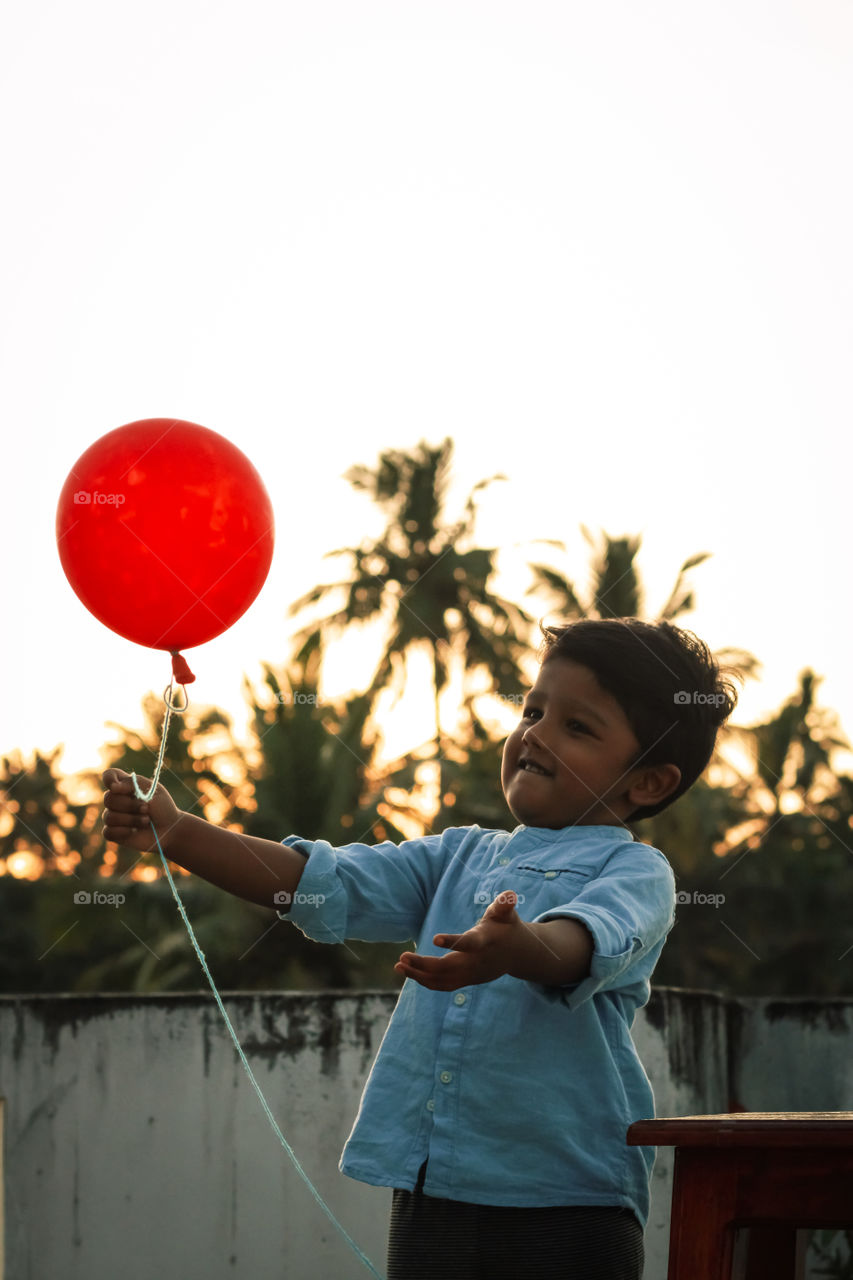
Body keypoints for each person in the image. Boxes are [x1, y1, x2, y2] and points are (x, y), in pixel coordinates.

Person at [103, 616, 737, 1280]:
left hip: (567, 1203)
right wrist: (179, 833)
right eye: (533, 710)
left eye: (576, 727)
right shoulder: (453, 857)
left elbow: (583, 943)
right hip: (431, 1192)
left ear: (647, 783)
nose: (535, 734)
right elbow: (317, 881)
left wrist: (515, 947)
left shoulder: (637, 875)